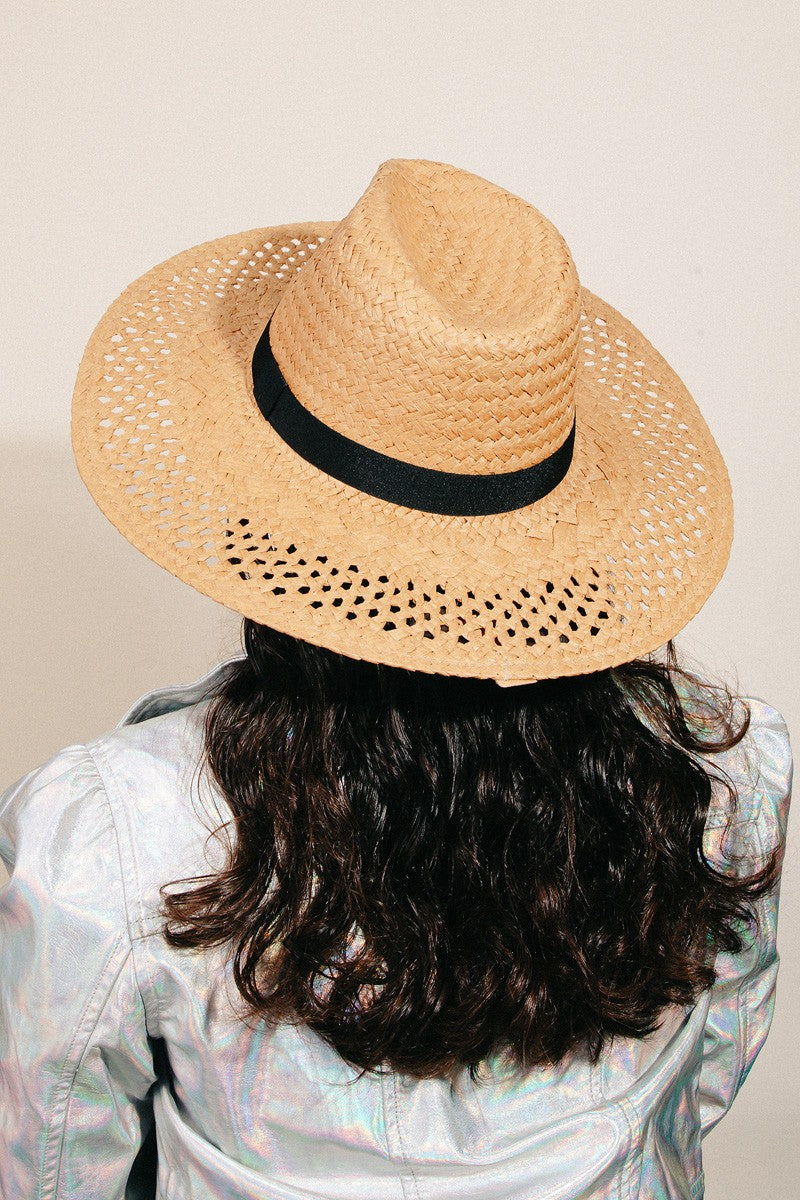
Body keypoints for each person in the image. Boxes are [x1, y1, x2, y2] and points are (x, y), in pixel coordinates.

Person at [0, 159, 792, 1199]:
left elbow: (53, 1163)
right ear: (556, 552)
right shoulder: (724, 775)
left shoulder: (111, 833)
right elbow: (696, 1086)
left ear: (259, 523)